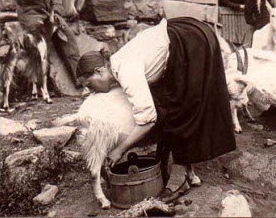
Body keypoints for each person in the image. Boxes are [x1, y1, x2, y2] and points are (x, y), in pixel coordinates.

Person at [76, 17, 237, 200]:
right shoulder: (117, 63)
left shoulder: (126, 69)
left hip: (191, 41)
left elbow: (148, 119)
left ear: (99, 71)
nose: (89, 90)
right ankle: (177, 167)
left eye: (89, 84)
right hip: (183, 31)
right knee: (170, 105)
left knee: (183, 110)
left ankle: (181, 178)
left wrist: (120, 149)